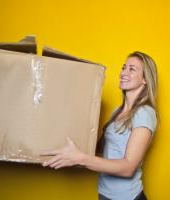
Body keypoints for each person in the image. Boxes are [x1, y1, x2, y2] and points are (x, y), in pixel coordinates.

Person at [41, 51, 158, 200]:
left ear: (145, 80)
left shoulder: (144, 113)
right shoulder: (117, 111)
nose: (123, 72)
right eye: (123, 67)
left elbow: (128, 168)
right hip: (105, 194)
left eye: (132, 69)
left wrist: (79, 158)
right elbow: (100, 151)